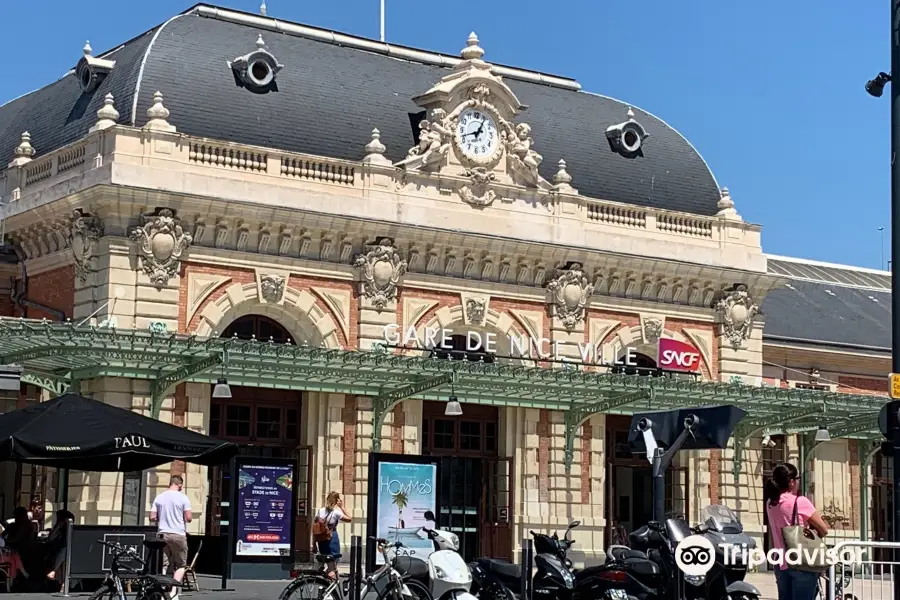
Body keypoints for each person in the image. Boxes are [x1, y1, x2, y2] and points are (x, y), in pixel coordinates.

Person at [765, 463, 829, 600]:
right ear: (791, 481)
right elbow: (824, 529)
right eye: (798, 478)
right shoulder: (800, 502)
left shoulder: (770, 503)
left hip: (780, 562)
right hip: (801, 561)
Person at [150, 476, 191, 600]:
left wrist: (162, 518)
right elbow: (188, 518)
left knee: (163, 564)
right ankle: (173, 592)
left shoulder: (159, 497)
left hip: (163, 534)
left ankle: (162, 591)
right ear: (180, 485)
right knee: (180, 564)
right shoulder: (183, 497)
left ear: (170, 483)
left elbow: (152, 517)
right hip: (178, 534)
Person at [313, 491, 351, 579]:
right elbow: (350, 518)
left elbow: (315, 529)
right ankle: (331, 583)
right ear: (337, 501)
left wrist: (314, 544)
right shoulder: (336, 512)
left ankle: (326, 578)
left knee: (327, 557)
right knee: (333, 561)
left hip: (321, 538)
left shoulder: (320, 511)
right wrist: (342, 507)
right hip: (332, 537)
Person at [45, 509, 74, 582]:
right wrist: (58, 527)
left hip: (67, 553)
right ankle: (55, 572)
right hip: (55, 552)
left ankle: (54, 570)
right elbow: (50, 539)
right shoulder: (59, 529)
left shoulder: (72, 530)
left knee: (64, 551)